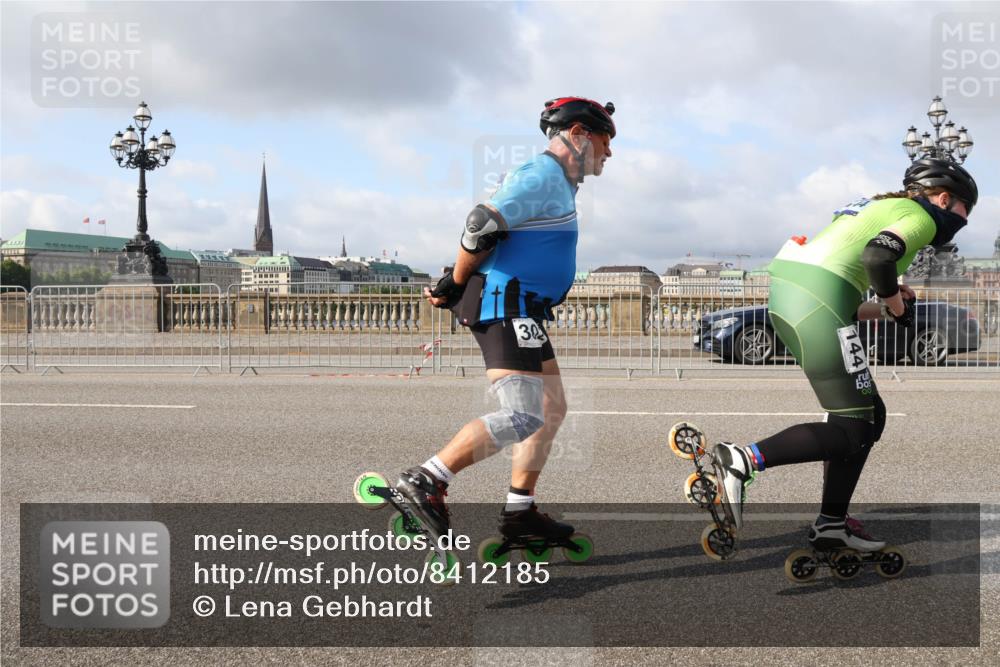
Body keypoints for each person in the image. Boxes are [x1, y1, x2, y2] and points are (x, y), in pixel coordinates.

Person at [712, 155, 977, 551]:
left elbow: (844, 294)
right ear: (942, 199)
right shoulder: (919, 216)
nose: (965, 219)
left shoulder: (883, 207)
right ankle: (744, 459)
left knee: (868, 415)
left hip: (803, 300)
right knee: (854, 428)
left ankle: (832, 523)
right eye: (964, 209)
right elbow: (878, 257)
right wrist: (896, 302)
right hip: (814, 302)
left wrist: (886, 305)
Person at [394, 97, 615, 545]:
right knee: (521, 414)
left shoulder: (559, 183)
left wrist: (453, 281)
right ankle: (427, 479)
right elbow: (480, 224)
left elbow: (499, 234)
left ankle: (520, 511)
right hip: (504, 304)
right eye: (605, 141)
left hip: (524, 307)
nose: (609, 153)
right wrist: (456, 282)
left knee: (551, 409)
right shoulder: (542, 175)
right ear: (578, 135)